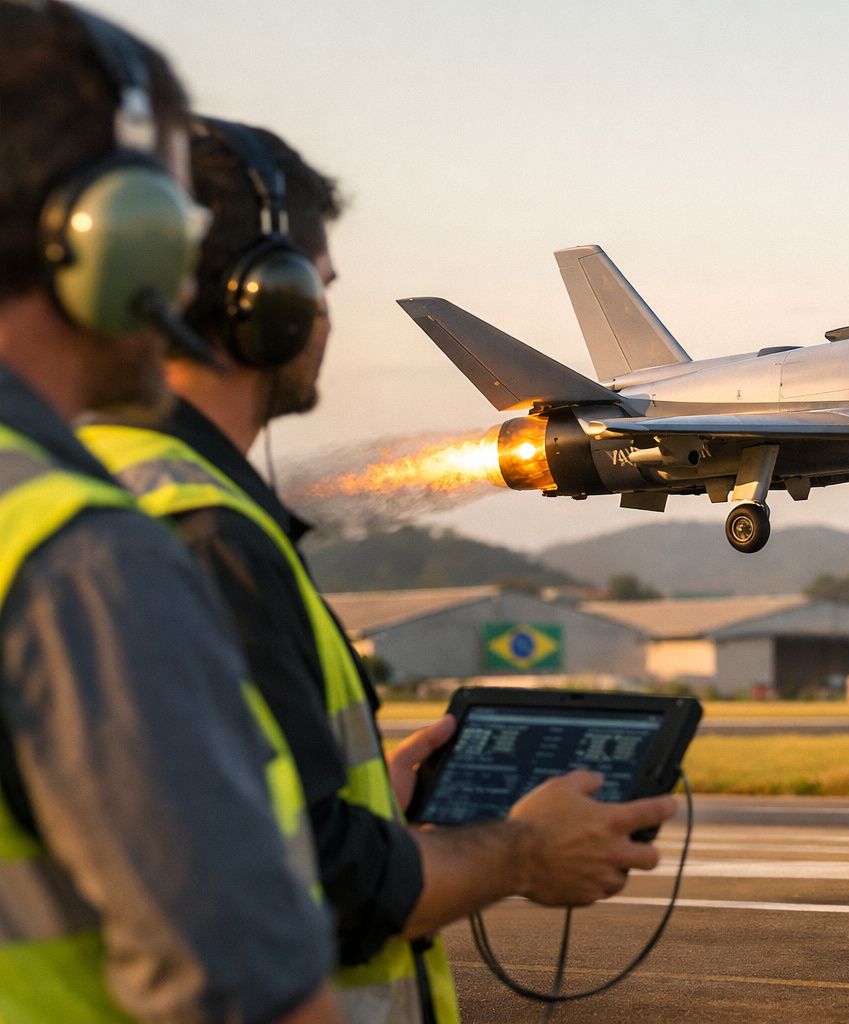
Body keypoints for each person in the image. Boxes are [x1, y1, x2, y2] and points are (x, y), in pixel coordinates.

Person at [77, 117, 679, 1023]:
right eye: (315, 289)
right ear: (264, 301)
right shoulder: (194, 530)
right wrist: (517, 853)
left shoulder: (102, 487)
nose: (323, 317)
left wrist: (368, 801)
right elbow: (291, 895)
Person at [0, 4, 340, 1022]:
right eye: (178, 231)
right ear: (117, 236)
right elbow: (246, 993)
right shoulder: (79, 556)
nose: (192, 284)